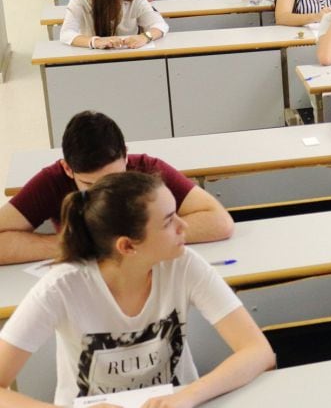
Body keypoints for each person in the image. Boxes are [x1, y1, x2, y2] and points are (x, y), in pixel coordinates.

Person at [0, 171, 273, 406]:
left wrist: (188, 395)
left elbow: (258, 351)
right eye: (168, 222)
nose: (184, 226)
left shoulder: (183, 264)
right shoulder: (61, 286)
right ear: (128, 246)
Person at [0, 111, 233, 265]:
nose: (105, 192)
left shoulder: (146, 168)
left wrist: (141, 239)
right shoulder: (52, 180)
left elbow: (219, 222)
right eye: (90, 185)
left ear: (126, 157)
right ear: (67, 169)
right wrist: (77, 244)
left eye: (114, 178)